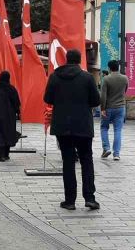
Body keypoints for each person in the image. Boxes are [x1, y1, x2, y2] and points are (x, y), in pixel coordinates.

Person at [43, 49, 101, 211]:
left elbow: (47, 98)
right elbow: (96, 100)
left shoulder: (55, 76)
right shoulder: (87, 77)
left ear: (66, 59)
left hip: (62, 126)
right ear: (79, 60)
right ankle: (90, 198)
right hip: (83, 125)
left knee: (68, 162)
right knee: (86, 161)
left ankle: (70, 201)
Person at [100, 60, 128, 161]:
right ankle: (116, 154)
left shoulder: (106, 79)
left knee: (104, 128)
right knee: (118, 130)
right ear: (118, 67)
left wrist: (102, 108)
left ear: (109, 68)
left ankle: (106, 148)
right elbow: (125, 91)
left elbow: (103, 95)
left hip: (108, 107)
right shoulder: (125, 78)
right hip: (121, 107)